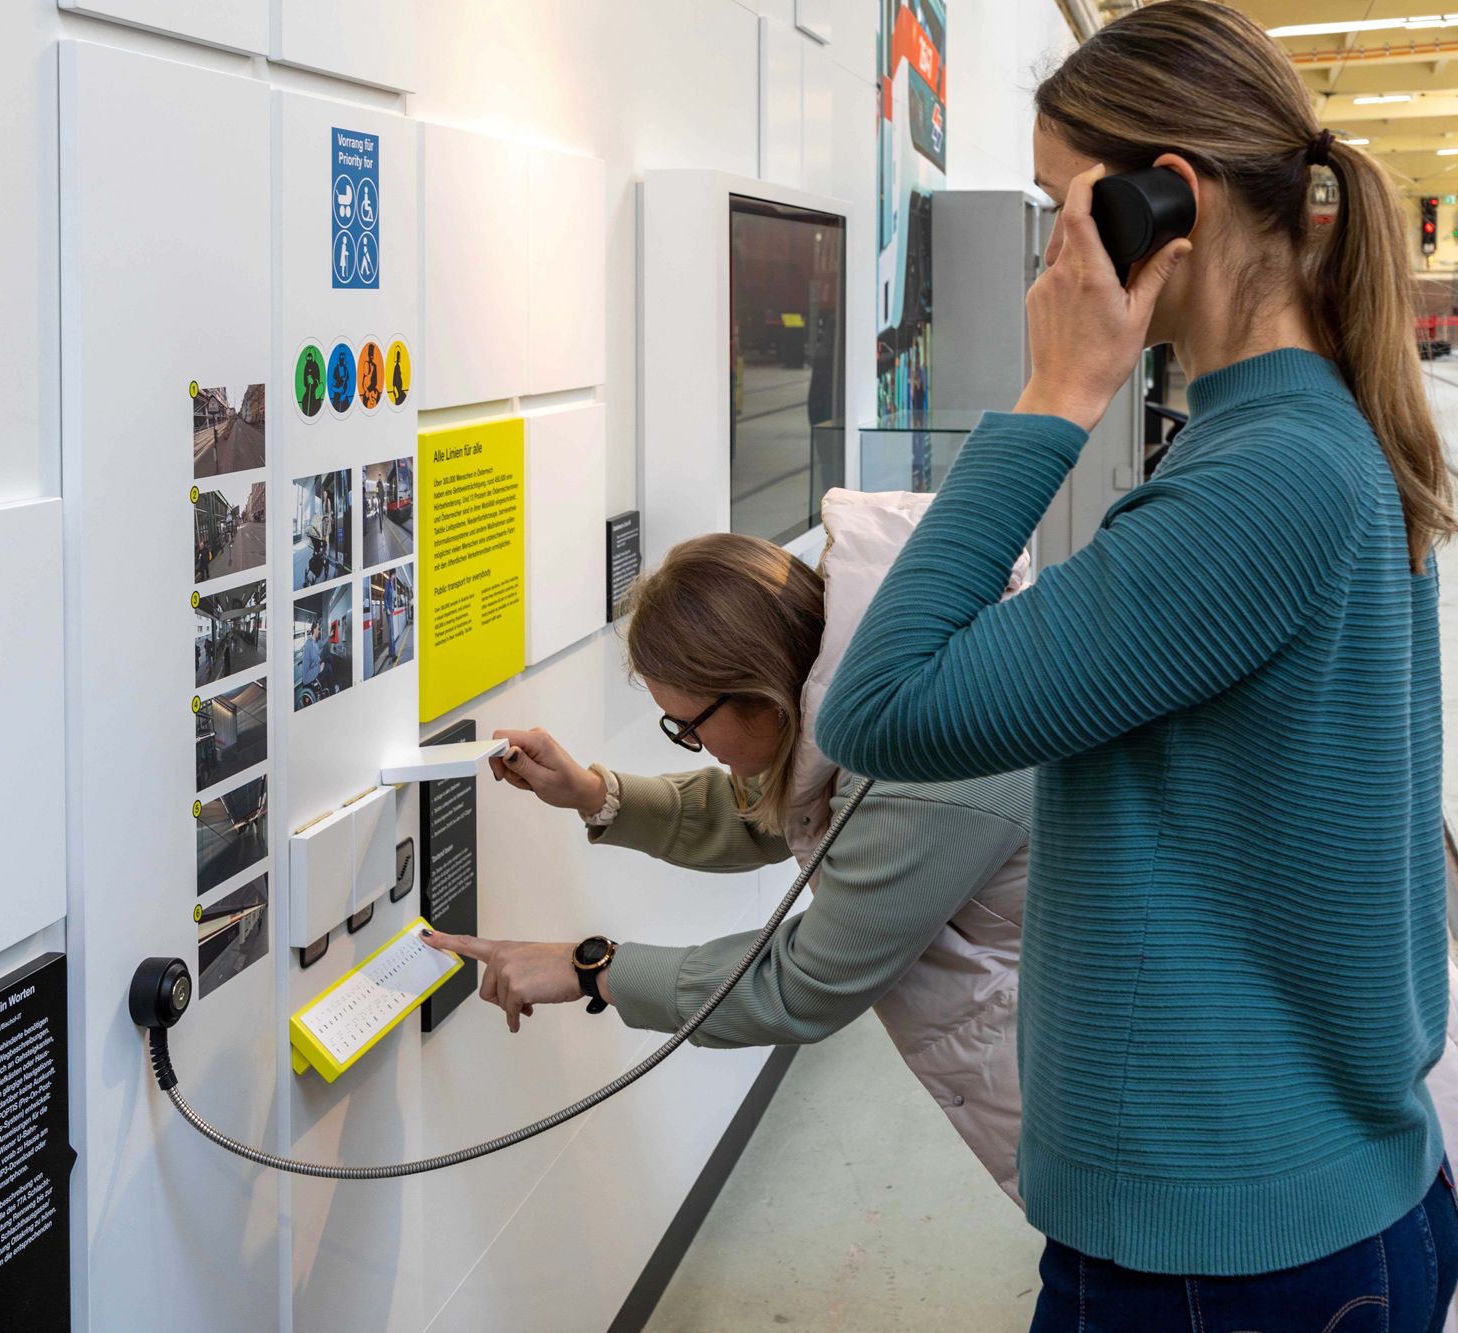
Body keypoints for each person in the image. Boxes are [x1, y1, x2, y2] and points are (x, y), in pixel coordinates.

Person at [810, 4, 1458, 1327]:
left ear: (1175, 203)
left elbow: (881, 707)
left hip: (1235, 1250)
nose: (1052, 252)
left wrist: (1055, 392)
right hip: (1266, 1217)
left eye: (1067, 207)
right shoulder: (1292, 440)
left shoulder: (1266, 481)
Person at [428, 514, 1036, 1200]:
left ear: (759, 689)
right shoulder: (864, 679)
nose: (693, 743)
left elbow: (804, 983)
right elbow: (776, 808)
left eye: (689, 727)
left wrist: (592, 966)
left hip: (1126, 1101)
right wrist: (594, 794)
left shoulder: (922, 756)